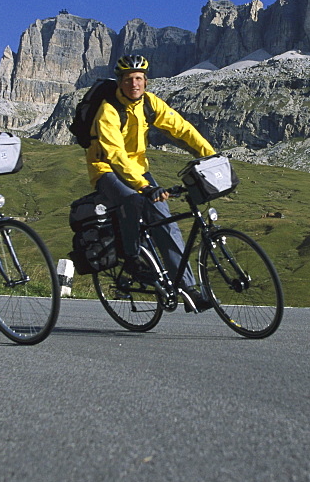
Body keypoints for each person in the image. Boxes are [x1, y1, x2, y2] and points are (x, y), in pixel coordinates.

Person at [87, 54, 215, 312]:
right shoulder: (108, 110)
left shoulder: (149, 103)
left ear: (146, 81)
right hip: (107, 169)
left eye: (138, 79)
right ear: (119, 82)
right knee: (133, 200)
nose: (134, 84)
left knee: (167, 225)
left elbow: (182, 128)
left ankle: (188, 290)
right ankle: (132, 258)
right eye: (127, 79)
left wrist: (211, 156)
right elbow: (115, 154)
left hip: (139, 169)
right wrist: (144, 186)